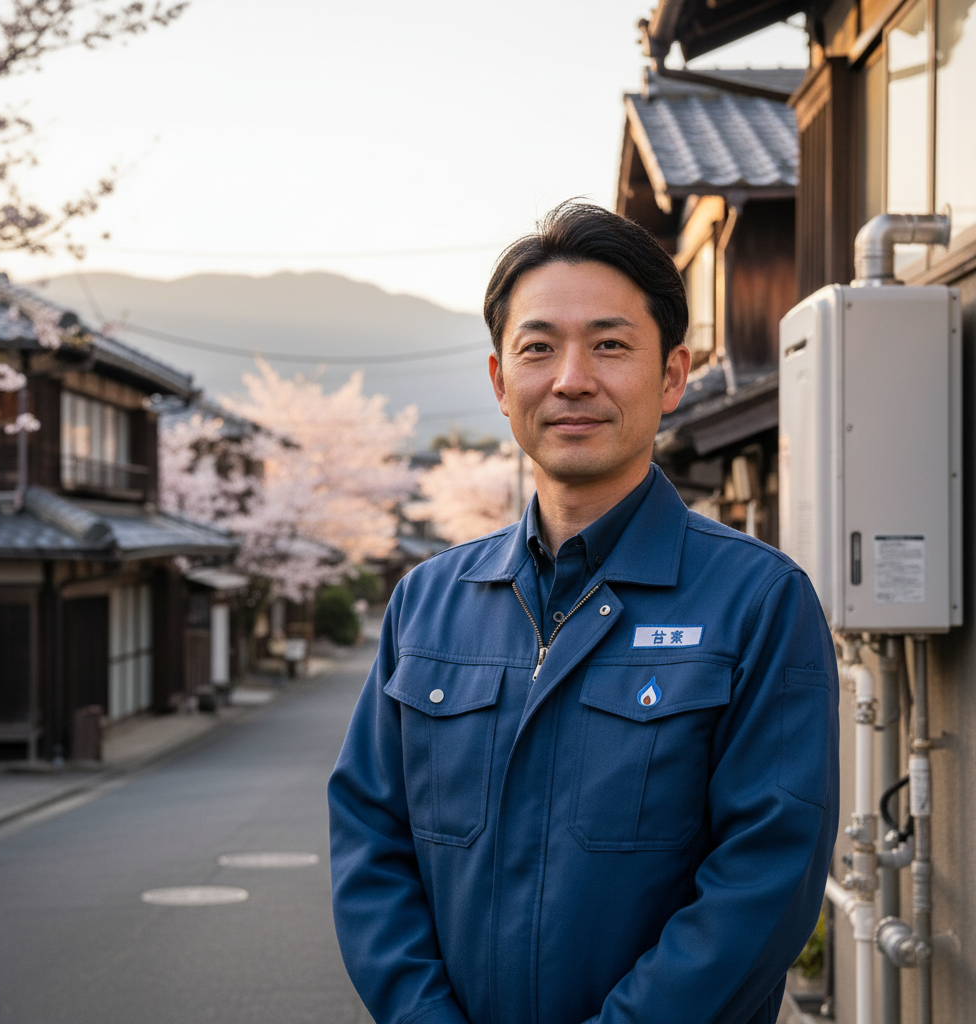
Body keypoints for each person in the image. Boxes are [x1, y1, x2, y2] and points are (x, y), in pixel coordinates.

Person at [328, 202, 839, 1024]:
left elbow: (763, 879)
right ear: (501, 382)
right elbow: (371, 843)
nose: (571, 378)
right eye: (538, 348)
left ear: (672, 376)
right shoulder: (426, 604)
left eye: (609, 345)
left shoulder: (757, 600)